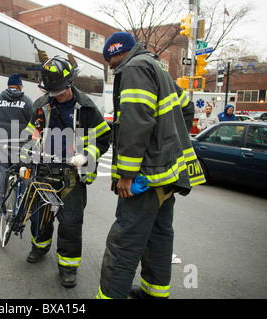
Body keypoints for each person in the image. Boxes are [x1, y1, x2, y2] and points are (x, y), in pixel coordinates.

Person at [97, 32, 206, 299]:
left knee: (123, 243)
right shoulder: (158, 68)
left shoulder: (134, 68)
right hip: (166, 177)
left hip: (144, 180)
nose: (110, 67)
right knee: (158, 238)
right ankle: (154, 294)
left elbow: (136, 125)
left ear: (116, 52)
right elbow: (186, 108)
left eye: (109, 61)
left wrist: (126, 175)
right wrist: (166, 152)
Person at [23, 55, 111, 287]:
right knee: (40, 216)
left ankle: (68, 268)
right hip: (43, 171)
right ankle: (39, 248)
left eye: (60, 91)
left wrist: (86, 157)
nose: (57, 96)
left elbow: (103, 139)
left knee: (71, 224)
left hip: (72, 176)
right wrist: (28, 152)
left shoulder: (87, 108)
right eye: (53, 92)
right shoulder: (41, 105)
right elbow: (31, 134)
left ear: (71, 82)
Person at [0, 73, 33, 210]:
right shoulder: (26, 101)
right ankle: (24, 200)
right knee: (24, 170)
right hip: (20, 144)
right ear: (19, 86)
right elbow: (34, 121)